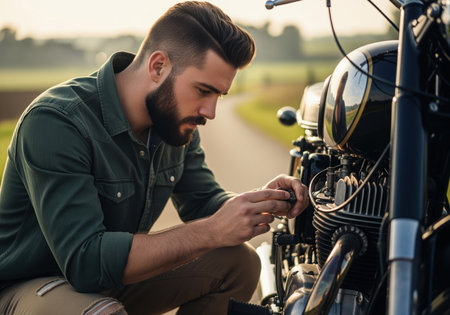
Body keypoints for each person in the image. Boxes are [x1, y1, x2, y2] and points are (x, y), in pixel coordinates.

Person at [0, 1, 309, 314]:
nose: (210, 112)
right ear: (158, 66)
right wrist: (211, 230)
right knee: (100, 313)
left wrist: (259, 201)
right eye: (203, 90)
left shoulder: (172, 125)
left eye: (219, 95)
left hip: (108, 278)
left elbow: (204, 203)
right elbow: (85, 262)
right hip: (27, 288)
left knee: (240, 262)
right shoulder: (56, 121)